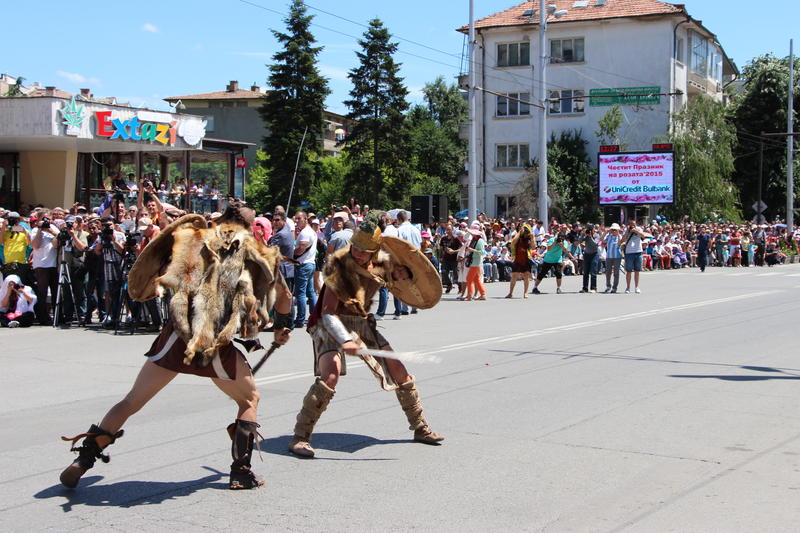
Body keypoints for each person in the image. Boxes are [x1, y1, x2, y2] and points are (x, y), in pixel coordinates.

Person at [59, 206, 294, 491]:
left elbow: (161, 268)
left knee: (131, 401)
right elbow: (285, 297)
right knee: (249, 400)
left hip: (176, 337)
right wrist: (283, 326)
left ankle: (83, 460)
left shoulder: (193, 241)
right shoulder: (261, 257)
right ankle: (241, 472)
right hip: (213, 344)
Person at [287, 212, 444, 458]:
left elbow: (402, 282)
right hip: (330, 323)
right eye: (356, 249)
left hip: (361, 321)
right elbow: (328, 312)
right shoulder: (338, 266)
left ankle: (420, 427)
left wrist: (404, 275)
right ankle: (300, 436)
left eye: (364, 251)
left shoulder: (382, 263)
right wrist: (345, 340)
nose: (358, 254)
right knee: (331, 374)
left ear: (373, 252)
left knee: (397, 368)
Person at [30, 210, 59, 324]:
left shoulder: (53, 228)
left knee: (56, 291)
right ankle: (43, 317)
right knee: (42, 292)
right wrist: (40, 230)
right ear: (39, 220)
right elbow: (35, 245)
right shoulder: (35, 230)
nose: (46, 221)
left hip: (54, 264)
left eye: (48, 218)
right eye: (44, 218)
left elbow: (57, 244)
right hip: (41, 265)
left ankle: (57, 316)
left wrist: (51, 231)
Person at [292, 211, 317, 329]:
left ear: (305, 219)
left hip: (303, 264)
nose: (297, 221)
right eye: (295, 219)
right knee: (310, 291)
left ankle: (300, 319)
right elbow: (297, 243)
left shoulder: (306, 232)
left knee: (300, 293)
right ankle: (315, 316)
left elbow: (301, 247)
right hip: (310, 264)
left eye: (299, 218)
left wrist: (294, 254)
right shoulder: (308, 231)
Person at [505, 224, 534, 298]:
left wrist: (532, 238)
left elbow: (533, 247)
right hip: (518, 258)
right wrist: (520, 232)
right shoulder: (518, 237)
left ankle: (525, 293)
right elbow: (513, 243)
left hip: (526, 258)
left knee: (526, 275)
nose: (525, 232)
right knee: (514, 275)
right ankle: (510, 293)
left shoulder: (529, 238)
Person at [622, 220, 647, 294]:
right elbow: (623, 239)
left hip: (638, 251)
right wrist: (627, 231)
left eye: (633, 224)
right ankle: (628, 287)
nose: (632, 226)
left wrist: (636, 231)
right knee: (629, 271)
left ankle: (637, 287)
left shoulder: (638, 229)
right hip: (629, 252)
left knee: (637, 270)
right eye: (631, 225)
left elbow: (643, 236)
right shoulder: (626, 230)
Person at [463, 224, 487, 301]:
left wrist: (472, 250)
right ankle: (482, 294)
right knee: (476, 279)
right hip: (474, 262)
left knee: (469, 279)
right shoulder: (475, 240)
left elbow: (482, 252)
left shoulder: (480, 241)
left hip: (476, 262)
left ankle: (470, 295)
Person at [602, 223, 623, 293]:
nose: (613, 231)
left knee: (616, 273)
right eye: (612, 230)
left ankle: (614, 287)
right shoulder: (609, 236)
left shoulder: (619, 236)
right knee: (608, 272)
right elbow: (602, 239)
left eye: (615, 230)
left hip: (617, 256)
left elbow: (620, 243)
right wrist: (606, 232)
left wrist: (619, 234)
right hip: (609, 256)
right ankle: (608, 286)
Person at [579, 225, 600, 293]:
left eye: (591, 229)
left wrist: (590, 237)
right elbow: (580, 241)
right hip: (587, 254)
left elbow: (595, 244)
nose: (590, 231)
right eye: (589, 229)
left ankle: (593, 288)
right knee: (585, 272)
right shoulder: (586, 235)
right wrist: (582, 235)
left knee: (593, 272)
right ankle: (585, 288)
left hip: (594, 254)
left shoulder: (596, 235)